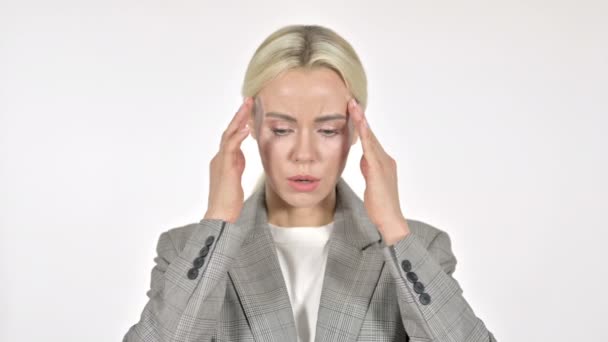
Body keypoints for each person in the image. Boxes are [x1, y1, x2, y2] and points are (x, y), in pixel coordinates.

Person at [123, 24, 496, 342]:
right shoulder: (186, 251)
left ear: (355, 131)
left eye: (328, 130)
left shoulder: (418, 250)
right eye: (282, 129)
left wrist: (394, 230)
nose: (305, 153)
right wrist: (218, 218)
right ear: (249, 124)